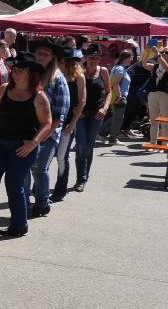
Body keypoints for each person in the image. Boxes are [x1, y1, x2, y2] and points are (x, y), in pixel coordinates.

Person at [0, 52, 52, 239]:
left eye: (20, 70)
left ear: (30, 73)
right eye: (14, 69)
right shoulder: (3, 89)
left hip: (23, 147)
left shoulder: (38, 96)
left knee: (14, 184)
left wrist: (34, 142)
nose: (15, 73)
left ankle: (19, 225)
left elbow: (47, 123)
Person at [25, 38, 69, 218]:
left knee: (39, 168)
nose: (41, 56)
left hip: (49, 134)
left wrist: (45, 135)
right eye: (39, 53)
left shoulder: (58, 79)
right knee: (26, 167)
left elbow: (60, 115)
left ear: (52, 58)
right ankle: (24, 200)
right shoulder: (31, 76)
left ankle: (43, 203)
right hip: (28, 130)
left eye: (45, 54)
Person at [73, 44, 111, 192]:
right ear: (86, 58)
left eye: (97, 58)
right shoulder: (79, 71)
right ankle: (80, 179)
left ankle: (83, 177)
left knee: (88, 146)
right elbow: (72, 92)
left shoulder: (103, 71)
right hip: (81, 114)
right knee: (81, 144)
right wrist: (76, 108)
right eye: (91, 58)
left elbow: (109, 92)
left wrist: (105, 108)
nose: (94, 60)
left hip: (97, 114)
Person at [50, 48, 86, 202]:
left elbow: (82, 102)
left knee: (61, 157)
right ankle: (40, 186)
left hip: (68, 121)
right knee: (47, 156)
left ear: (70, 63)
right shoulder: (54, 76)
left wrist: (72, 124)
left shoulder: (79, 77)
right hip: (52, 121)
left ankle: (60, 189)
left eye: (62, 61)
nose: (59, 64)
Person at [99, 50, 134, 146]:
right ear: (125, 58)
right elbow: (115, 83)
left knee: (114, 117)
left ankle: (102, 134)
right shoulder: (120, 69)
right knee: (118, 118)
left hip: (115, 97)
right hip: (118, 97)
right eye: (130, 57)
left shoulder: (117, 68)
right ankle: (113, 139)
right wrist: (120, 96)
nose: (131, 59)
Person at [147, 47, 168, 148]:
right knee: (153, 120)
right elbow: (143, 64)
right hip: (153, 94)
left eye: (166, 52)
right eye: (163, 52)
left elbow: (167, 68)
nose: (164, 53)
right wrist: (147, 52)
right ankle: (153, 143)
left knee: (165, 122)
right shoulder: (156, 65)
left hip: (165, 95)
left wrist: (158, 54)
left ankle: (165, 145)